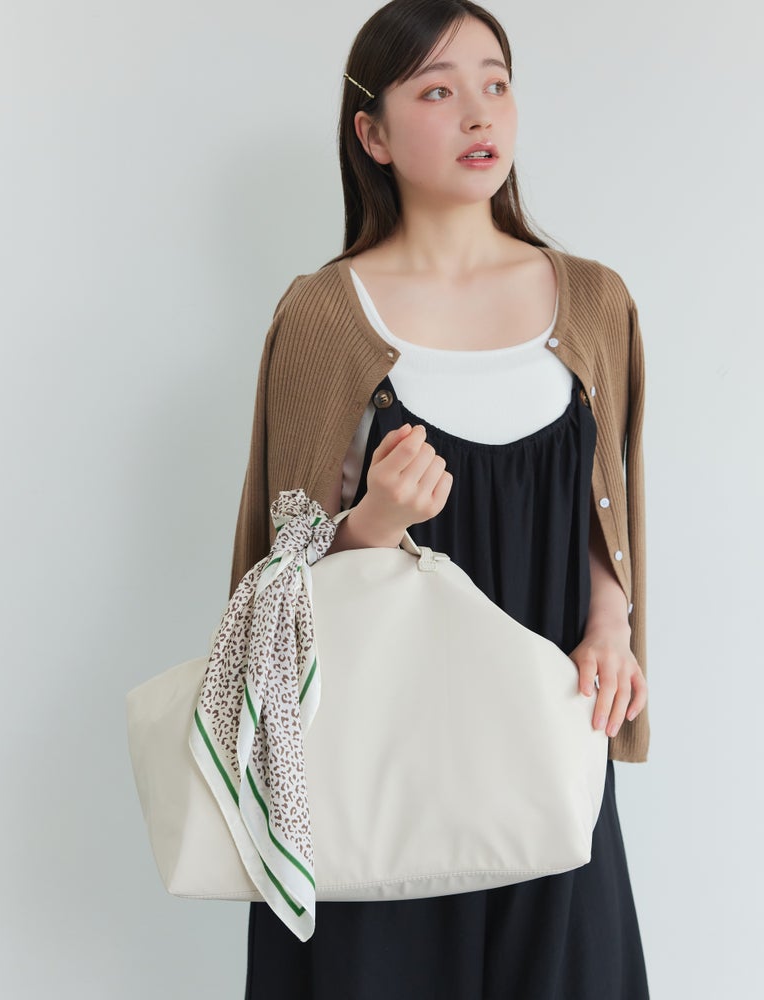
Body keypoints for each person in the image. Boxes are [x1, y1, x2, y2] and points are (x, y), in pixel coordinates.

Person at [232, 1, 650, 996]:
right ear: (370, 134)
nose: (478, 112)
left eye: (495, 83)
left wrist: (610, 626)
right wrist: (374, 522)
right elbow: (274, 589)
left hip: (549, 744)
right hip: (378, 764)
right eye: (436, 90)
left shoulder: (594, 300)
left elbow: (608, 516)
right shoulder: (325, 313)